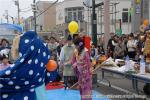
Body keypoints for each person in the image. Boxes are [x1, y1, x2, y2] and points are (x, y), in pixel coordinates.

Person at [0, 31, 58, 100]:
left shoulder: (20, 70)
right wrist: (52, 69)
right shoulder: (41, 67)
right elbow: (50, 77)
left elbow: (6, 81)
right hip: (40, 93)